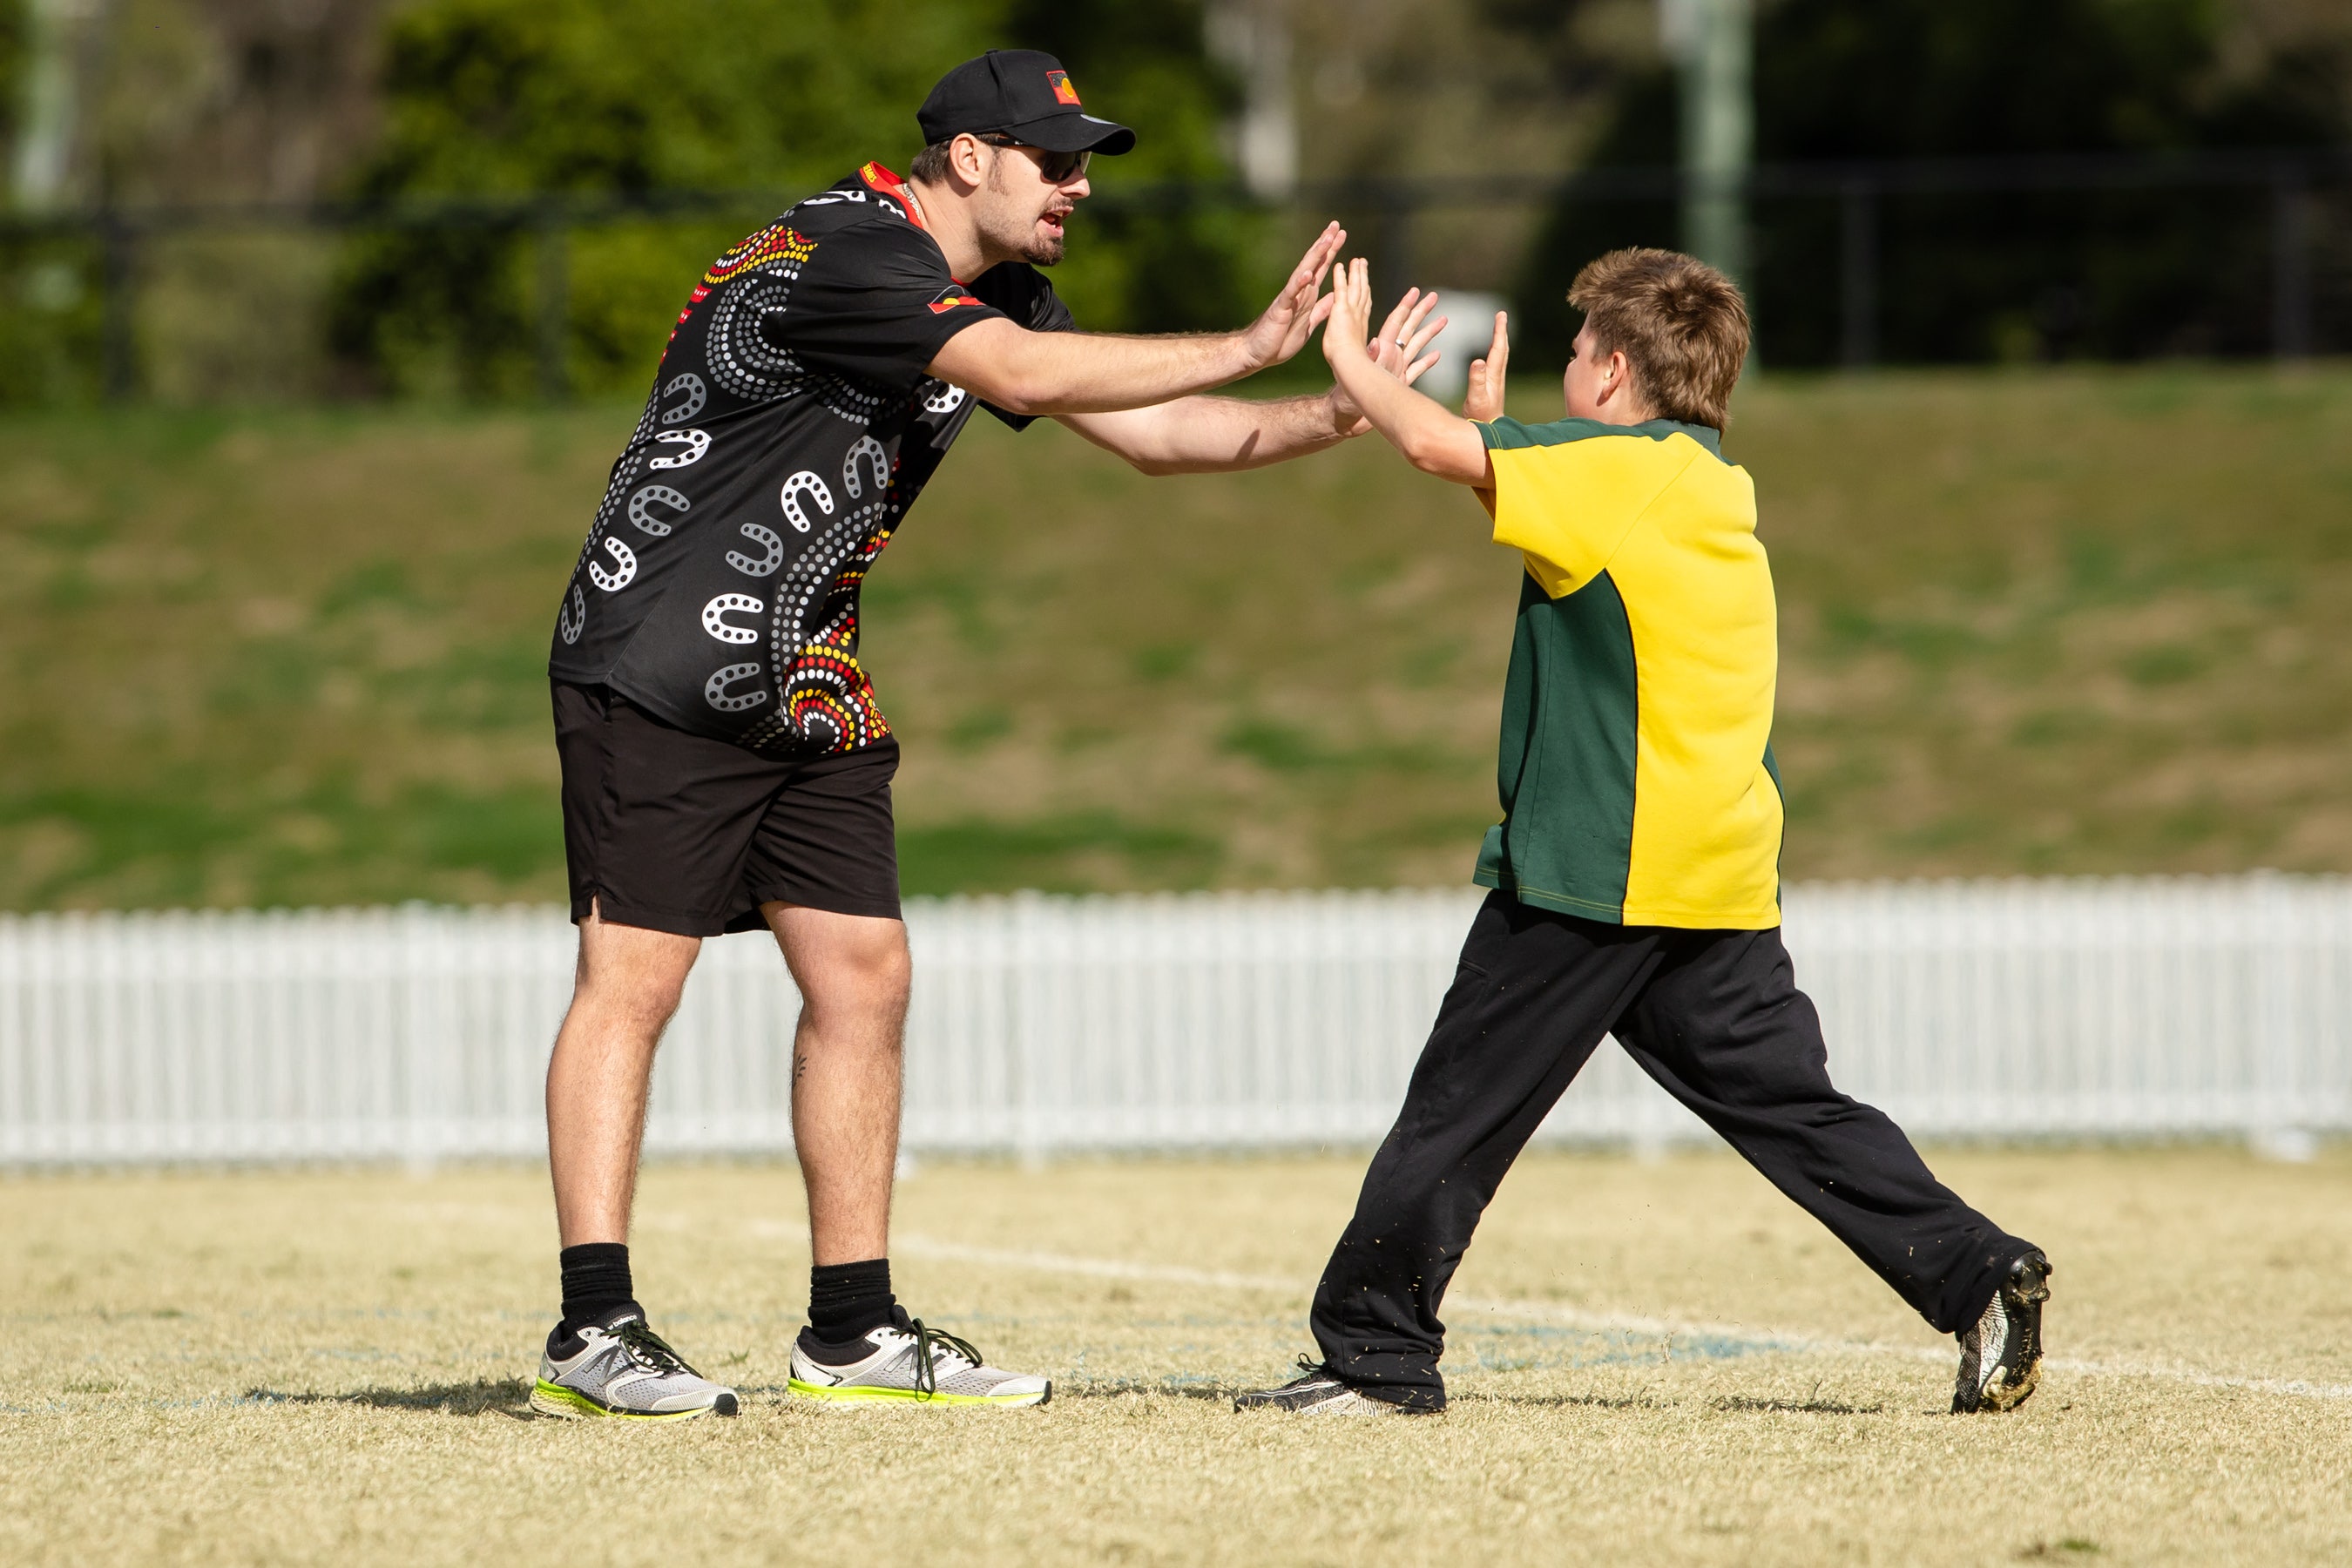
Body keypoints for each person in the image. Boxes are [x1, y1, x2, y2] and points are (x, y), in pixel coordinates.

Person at [529, 50, 1446, 1419]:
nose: (1077, 186)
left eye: (1084, 163)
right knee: (635, 981)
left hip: (803, 673)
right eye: (1055, 160)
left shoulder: (989, 286)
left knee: (865, 980)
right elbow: (1016, 367)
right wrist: (1254, 339)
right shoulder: (846, 251)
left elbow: (1152, 433)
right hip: (657, 656)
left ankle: (852, 1332)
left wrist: (1341, 407)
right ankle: (590, 1332)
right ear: (969, 159)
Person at [1233, 250, 2052, 1418]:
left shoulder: (1615, 467)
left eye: (1576, 352)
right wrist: (1491, 452)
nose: (1568, 368)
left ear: (1614, 371)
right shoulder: (1705, 482)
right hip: (1712, 876)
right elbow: (1557, 531)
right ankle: (1978, 1274)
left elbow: (1424, 446)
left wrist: (1352, 364)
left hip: (1595, 876)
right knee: (1796, 1111)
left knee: (1458, 1112)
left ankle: (1376, 1358)